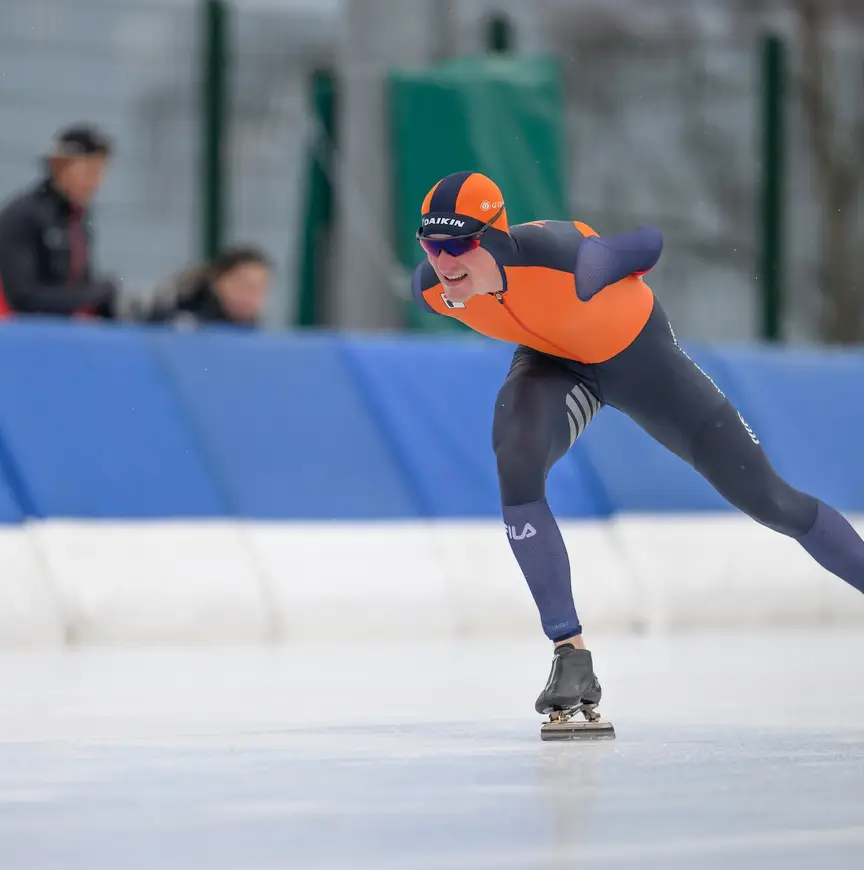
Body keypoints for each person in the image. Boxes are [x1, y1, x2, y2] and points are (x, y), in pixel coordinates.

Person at [411, 170, 864, 726]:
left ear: (495, 237)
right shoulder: (432, 289)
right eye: (430, 244)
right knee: (516, 455)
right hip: (552, 362)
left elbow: (649, 240)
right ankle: (570, 655)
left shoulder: (564, 258)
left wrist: (609, 261)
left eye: (457, 244)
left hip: (639, 357)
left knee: (771, 501)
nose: (443, 260)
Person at [0, 123, 119, 318]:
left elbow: (80, 287)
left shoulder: (77, 218)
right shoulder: (23, 216)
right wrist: (92, 294)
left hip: (61, 335)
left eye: (100, 173)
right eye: (88, 172)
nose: (96, 183)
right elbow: (22, 297)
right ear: (59, 167)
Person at [143, 245, 271, 328]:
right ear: (217, 280)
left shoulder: (254, 330)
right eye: (243, 285)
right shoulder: (176, 316)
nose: (251, 295)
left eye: (260, 288)